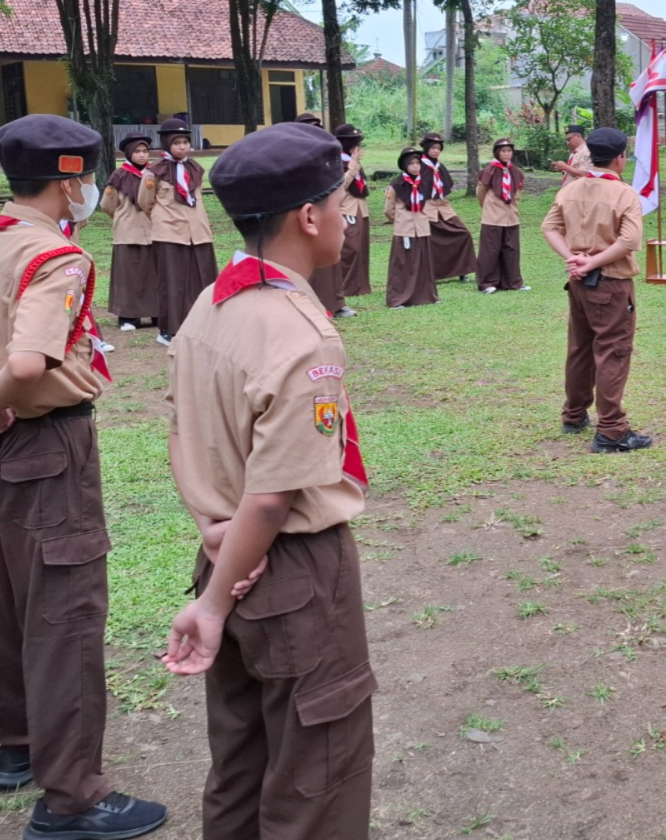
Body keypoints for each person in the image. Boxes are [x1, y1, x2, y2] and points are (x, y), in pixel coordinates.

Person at [0, 113, 167, 839]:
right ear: (72, 177)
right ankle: (73, 796)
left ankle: (17, 750)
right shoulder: (55, 257)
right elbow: (26, 364)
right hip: (46, 440)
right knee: (65, 612)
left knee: (7, 597)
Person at [161, 121, 375, 840]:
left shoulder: (211, 303)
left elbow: (180, 432)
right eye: (341, 200)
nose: (348, 215)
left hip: (224, 549)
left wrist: (215, 545)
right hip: (287, 570)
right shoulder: (300, 334)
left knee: (241, 763)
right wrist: (216, 604)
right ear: (308, 217)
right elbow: (276, 493)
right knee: (317, 774)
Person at [540, 128, 651, 453]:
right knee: (613, 352)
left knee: (580, 348)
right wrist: (593, 262)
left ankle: (574, 415)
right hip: (611, 284)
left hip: (578, 285)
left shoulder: (572, 189)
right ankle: (612, 430)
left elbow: (549, 227)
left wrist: (573, 259)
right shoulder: (624, 194)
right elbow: (629, 241)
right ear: (620, 158)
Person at [140, 117, 216, 346]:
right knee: (172, 282)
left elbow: (198, 197)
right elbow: (145, 202)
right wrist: (165, 219)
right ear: (166, 144)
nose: (183, 146)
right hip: (169, 233)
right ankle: (169, 330)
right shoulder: (154, 172)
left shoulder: (195, 168)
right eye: (177, 142)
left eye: (185, 141)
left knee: (202, 279)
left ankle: (205, 325)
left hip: (199, 232)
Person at [101, 135, 160, 331]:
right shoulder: (118, 175)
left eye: (145, 151)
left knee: (155, 274)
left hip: (155, 230)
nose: (142, 155)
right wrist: (124, 218)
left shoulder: (154, 173)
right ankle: (129, 317)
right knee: (129, 275)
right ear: (128, 153)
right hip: (128, 232)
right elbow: (108, 205)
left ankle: (157, 314)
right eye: (137, 151)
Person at [418, 132, 478, 286]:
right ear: (426, 148)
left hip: (443, 206)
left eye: (438, 148)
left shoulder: (439, 166)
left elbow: (446, 185)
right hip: (427, 207)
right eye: (432, 148)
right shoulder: (419, 165)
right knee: (431, 240)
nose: (436, 151)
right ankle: (433, 274)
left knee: (463, 233)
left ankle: (462, 270)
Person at [382, 148, 438, 308]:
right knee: (402, 264)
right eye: (411, 163)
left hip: (421, 227)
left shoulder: (424, 182)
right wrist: (400, 221)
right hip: (404, 228)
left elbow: (426, 203)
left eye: (417, 163)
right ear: (404, 165)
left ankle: (426, 295)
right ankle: (397, 299)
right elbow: (388, 210)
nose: (415, 167)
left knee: (423, 262)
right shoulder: (396, 185)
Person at [328, 124, 372, 316]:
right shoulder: (338, 161)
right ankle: (344, 285)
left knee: (361, 248)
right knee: (349, 248)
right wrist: (353, 165)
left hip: (360, 208)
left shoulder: (353, 161)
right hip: (346, 208)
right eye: (354, 144)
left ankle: (358, 286)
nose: (358, 148)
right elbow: (342, 184)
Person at [476, 138, 528, 293]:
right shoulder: (488, 171)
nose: (507, 154)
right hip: (493, 215)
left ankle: (513, 282)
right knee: (490, 250)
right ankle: (487, 283)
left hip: (511, 215)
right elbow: (481, 192)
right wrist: (488, 207)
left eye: (509, 151)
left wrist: (513, 206)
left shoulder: (515, 171)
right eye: (503, 151)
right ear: (497, 153)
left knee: (511, 249)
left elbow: (518, 191)